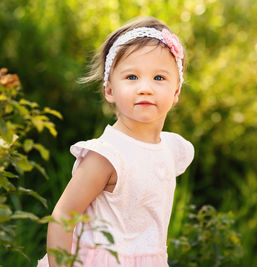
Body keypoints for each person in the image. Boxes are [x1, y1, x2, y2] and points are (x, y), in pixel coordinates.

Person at [38, 16, 194, 267]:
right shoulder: (107, 155)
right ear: (109, 90)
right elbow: (63, 216)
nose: (145, 88)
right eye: (132, 77)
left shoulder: (171, 149)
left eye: (159, 78)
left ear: (176, 91)